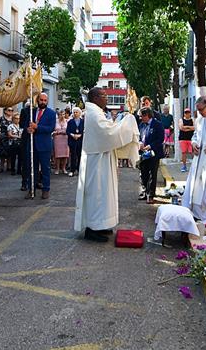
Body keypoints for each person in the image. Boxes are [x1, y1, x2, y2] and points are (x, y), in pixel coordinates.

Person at [74, 87, 139, 242]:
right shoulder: (94, 113)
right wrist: (127, 122)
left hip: (102, 157)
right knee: (97, 194)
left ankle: (102, 225)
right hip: (96, 161)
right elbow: (109, 133)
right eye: (104, 96)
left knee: (104, 193)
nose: (107, 99)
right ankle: (92, 229)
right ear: (96, 98)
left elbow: (108, 130)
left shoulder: (96, 112)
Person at [21, 92, 56, 199]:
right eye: (41, 100)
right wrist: (28, 129)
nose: (43, 102)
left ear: (47, 101)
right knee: (32, 168)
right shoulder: (32, 111)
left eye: (45, 100)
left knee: (45, 168)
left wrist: (37, 127)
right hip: (32, 145)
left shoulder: (51, 113)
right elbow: (25, 124)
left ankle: (46, 189)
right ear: (37, 100)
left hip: (44, 145)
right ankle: (32, 189)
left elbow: (50, 128)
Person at [138, 106, 165, 203]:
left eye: (142, 116)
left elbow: (160, 139)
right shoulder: (141, 125)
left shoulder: (157, 124)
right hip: (144, 153)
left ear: (147, 115)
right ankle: (145, 192)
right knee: (143, 173)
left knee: (152, 174)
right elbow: (139, 136)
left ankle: (151, 195)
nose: (140, 118)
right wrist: (140, 142)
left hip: (154, 153)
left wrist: (150, 146)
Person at [66, 107, 84, 177]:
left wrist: (80, 135)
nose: (75, 113)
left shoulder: (83, 121)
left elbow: (85, 130)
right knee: (73, 156)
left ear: (80, 113)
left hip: (80, 141)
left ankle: (79, 170)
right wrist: (72, 135)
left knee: (80, 155)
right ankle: (72, 170)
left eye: (77, 112)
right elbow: (67, 131)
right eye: (74, 112)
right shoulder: (70, 122)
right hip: (72, 141)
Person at [178, 107, 196, 172]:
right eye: (186, 112)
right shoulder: (181, 120)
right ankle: (184, 166)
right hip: (182, 138)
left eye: (188, 112)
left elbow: (195, 128)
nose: (187, 114)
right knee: (184, 152)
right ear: (184, 113)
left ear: (190, 113)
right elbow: (181, 127)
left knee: (192, 152)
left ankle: (195, 166)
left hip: (191, 138)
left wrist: (186, 127)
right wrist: (190, 128)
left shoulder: (192, 119)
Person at [52, 110, 69, 175]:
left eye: (63, 114)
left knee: (65, 154)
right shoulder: (55, 122)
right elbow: (52, 130)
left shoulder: (67, 121)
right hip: (57, 139)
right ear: (58, 115)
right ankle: (57, 169)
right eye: (60, 114)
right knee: (57, 155)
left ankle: (64, 168)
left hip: (65, 138)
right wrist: (56, 132)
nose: (62, 116)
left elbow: (69, 130)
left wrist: (65, 132)